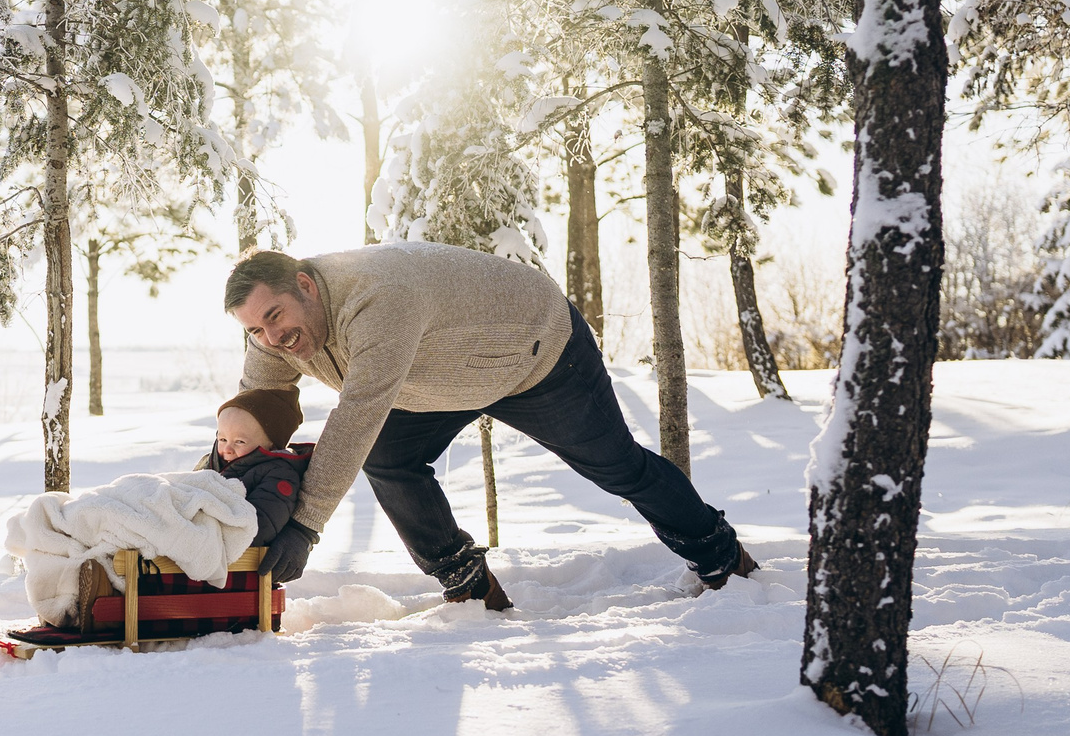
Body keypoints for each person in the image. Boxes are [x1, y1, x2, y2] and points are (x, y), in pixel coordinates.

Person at [223, 244, 756, 605]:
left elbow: (357, 414)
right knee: (390, 460)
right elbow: (255, 413)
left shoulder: (377, 300)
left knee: (617, 467)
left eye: (275, 316)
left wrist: (305, 525)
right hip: (433, 375)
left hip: (536, 358)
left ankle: (721, 557)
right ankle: (467, 584)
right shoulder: (273, 340)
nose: (271, 337)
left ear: (305, 286)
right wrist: (220, 488)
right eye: (255, 329)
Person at [208, 386, 309, 547]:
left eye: (240, 441)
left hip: (236, 559)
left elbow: (261, 525)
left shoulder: (278, 474)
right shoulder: (211, 464)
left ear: (271, 445)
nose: (227, 449)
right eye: (222, 439)